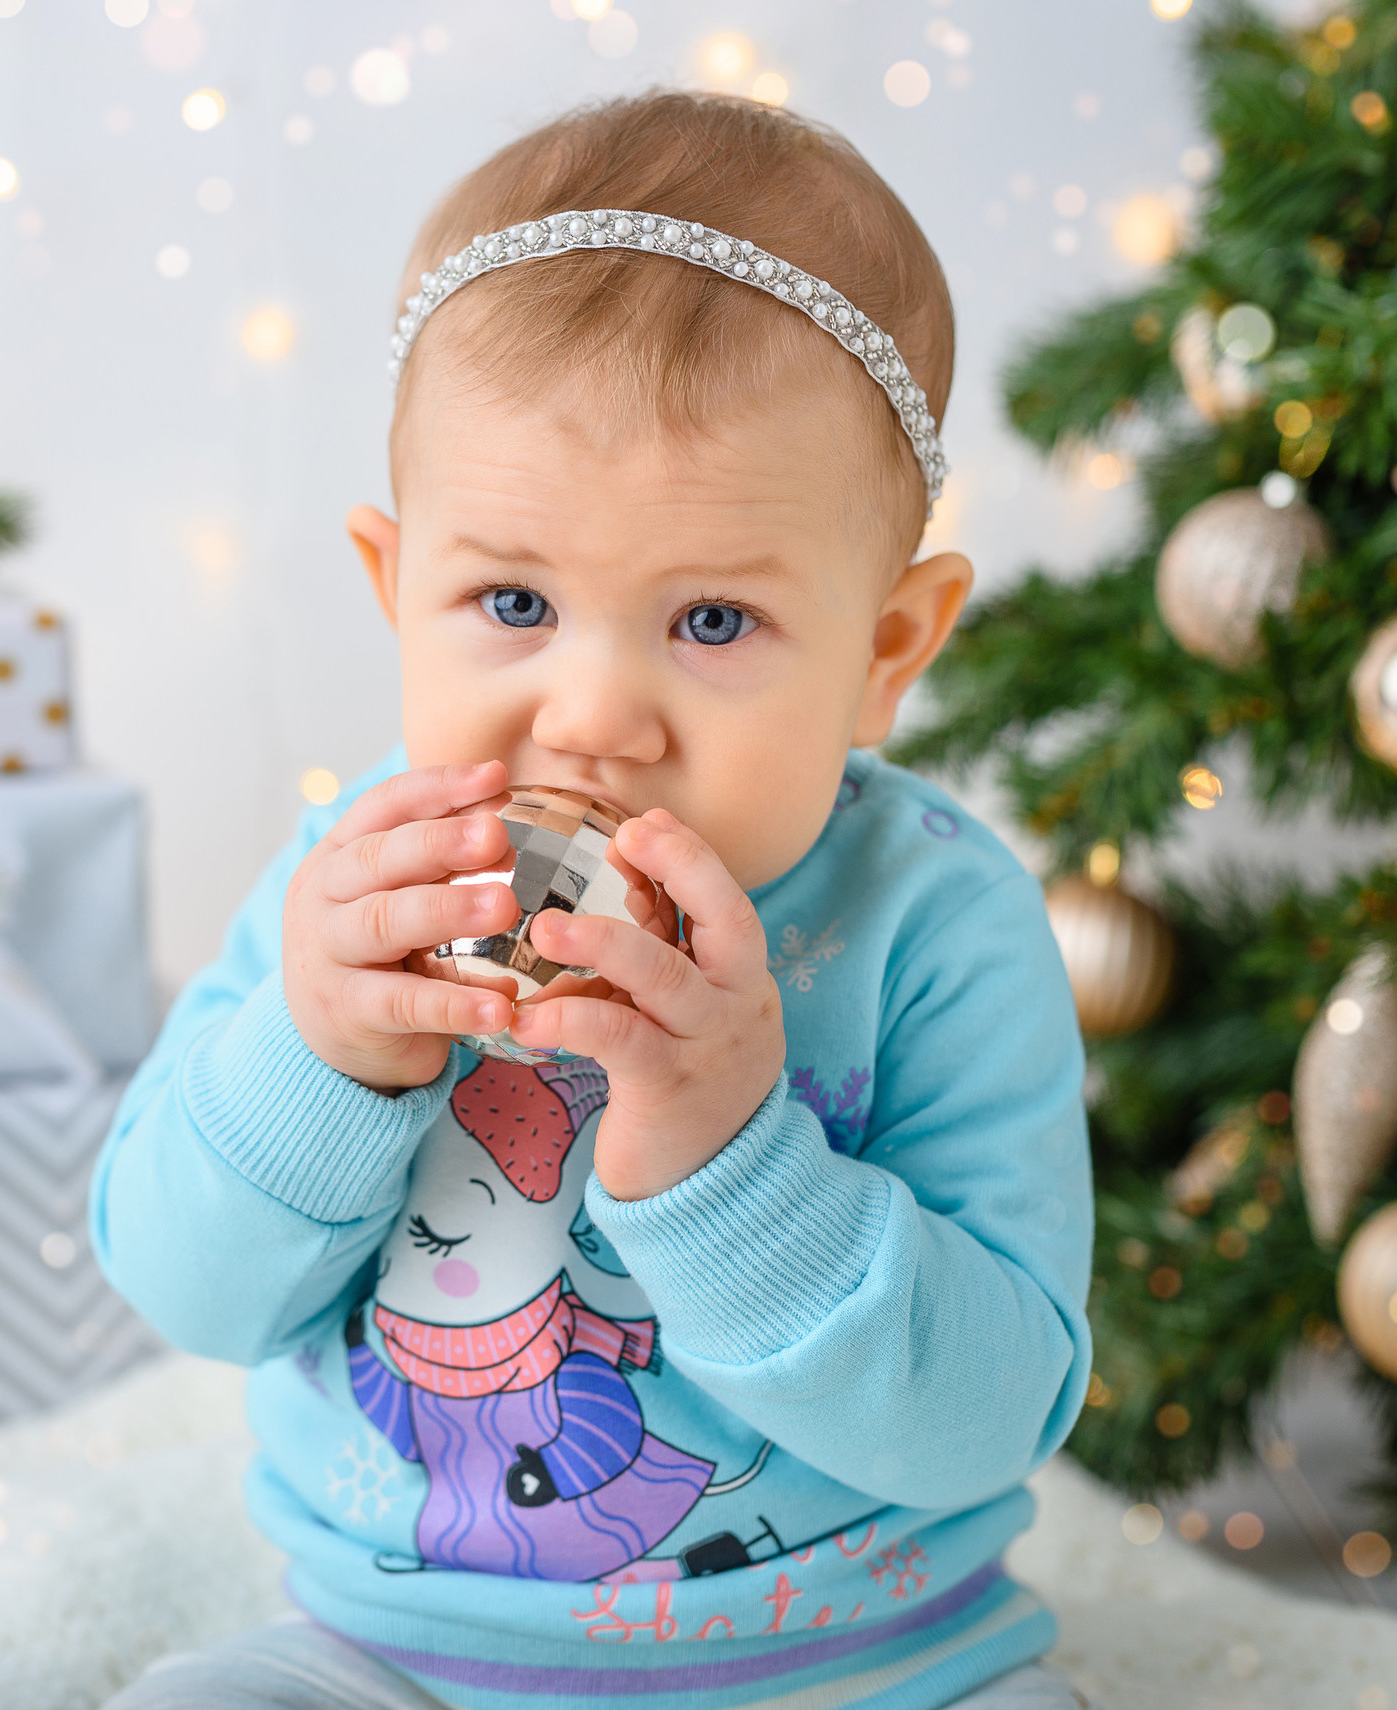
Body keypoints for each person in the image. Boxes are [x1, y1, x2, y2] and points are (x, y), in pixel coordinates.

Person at [92, 90, 1093, 1710]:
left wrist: (725, 1152)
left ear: (888, 649)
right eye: (512, 601)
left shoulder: (938, 923)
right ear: (391, 588)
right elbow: (183, 1288)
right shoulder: (355, 889)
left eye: (710, 620)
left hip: (866, 1672)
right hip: (398, 1657)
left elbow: (989, 1410)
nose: (593, 716)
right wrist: (323, 1053)